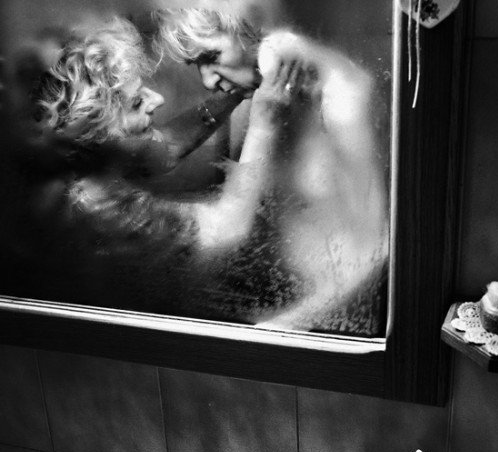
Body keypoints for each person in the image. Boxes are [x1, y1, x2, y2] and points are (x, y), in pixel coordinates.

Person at [26, 16, 310, 316]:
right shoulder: (106, 214)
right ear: (101, 137)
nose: (157, 99)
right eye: (137, 103)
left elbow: (166, 148)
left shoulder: (94, 162)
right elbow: (227, 231)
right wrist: (266, 119)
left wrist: (235, 92)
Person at [155, 6, 389, 333]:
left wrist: (281, 328)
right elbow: (238, 217)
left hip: (333, 316)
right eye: (198, 65)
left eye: (212, 56)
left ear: (249, 31)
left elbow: (375, 248)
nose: (208, 81)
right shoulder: (258, 103)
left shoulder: (341, 98)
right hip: (277, 296)